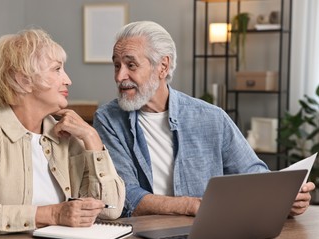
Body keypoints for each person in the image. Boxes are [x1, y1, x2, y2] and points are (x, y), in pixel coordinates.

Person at [93, 20, 315, 218]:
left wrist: (287, 199)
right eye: (116, 65)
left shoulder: (211, 118)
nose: (119, 76)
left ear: (162, 67)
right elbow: (125, 194)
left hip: (208, 229)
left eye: (131, 65)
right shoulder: (109, 119)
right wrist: (191, 205)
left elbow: (254, 175)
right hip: (144, 234)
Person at [0, 28, 125, 236]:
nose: (67, 80)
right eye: (57, 69)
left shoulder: (69, 137)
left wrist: (92, 139)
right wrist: (53, 214)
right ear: (23, 80)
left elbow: (111, 210)